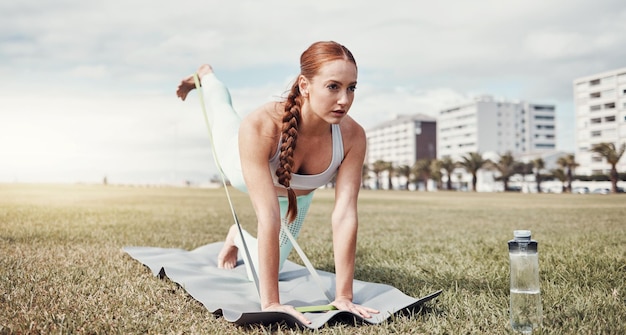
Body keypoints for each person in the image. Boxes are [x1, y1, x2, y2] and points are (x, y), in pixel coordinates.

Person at [176, 41, 378, 324]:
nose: (344, 99)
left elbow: (344, 214)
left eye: (351, 87)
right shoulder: (261, 124)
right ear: (305, 85)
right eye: (333, 87)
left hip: (296, 201)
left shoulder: (353, 136)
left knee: (260, 270)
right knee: (224, 113)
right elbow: (268, 215)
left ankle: (236, 235)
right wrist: (271, 303)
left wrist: (344, 296)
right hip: (239, 165)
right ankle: (207, 76)